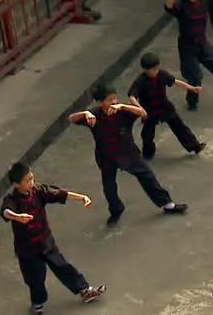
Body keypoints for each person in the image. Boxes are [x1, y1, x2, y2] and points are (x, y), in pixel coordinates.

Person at [69, 83, 189, 226]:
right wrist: (84, 113)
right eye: (109, 100)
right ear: (100, 102)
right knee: (109, 187)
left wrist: (124, 106)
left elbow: (143, 113)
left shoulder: (123, 112)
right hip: (107, 157)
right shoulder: (93, 116)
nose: (114, 102)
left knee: (148, 177)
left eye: (115, 98)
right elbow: (71, 118)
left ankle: (167, 204)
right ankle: (116, 210)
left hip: (128, 152)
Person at [1, 162, 106, 315]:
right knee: (35, 278)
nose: (32, 182)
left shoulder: (38, 191)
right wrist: (17, 217)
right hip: (28, 249)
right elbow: (5, 212)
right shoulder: (11, 199)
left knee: (63, 266)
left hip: (46, 242)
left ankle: (84, 290)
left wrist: (81, 197)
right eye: (27, 180)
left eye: (32, 178)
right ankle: (37, 301)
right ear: (16, 184)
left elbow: (59, 193)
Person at [128, 52, 207, 159]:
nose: (156, 71)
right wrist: (140, 109)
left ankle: (194, 146)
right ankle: (148, 152)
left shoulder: (162, 74)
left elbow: (175, 81)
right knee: (147, 134)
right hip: (149, 111)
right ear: (145, 70)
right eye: (153, 69)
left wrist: (191, 88)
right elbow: (132, 96)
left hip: (165, 107)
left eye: (157, 68)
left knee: (179, 126)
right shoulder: (140, 81)